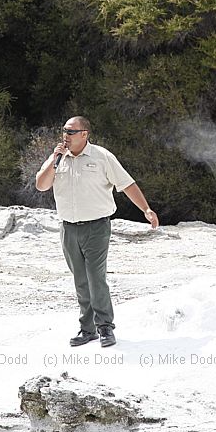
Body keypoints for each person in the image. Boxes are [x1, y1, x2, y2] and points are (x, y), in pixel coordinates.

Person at [35, 116, 159, 348]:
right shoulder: (57, 158)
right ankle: (87, 329)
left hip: (96, 227)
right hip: (68, 229)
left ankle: (105, 327)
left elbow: (127, 184)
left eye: (71, 132)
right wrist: (54, 160)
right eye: (64, 131)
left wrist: (146, 209)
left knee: (95, 277)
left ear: (85, 134)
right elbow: (41, 185)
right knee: (80, 280)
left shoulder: (101, 157)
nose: (66, 135)